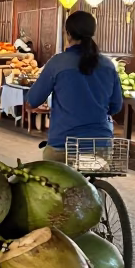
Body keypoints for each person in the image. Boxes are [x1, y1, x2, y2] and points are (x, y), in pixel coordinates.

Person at [26, 10, 123, 161]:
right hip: (101, 145)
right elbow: (116, 106)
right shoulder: (108, 65)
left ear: (68, 34)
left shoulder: (58, 63)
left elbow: (33, 99)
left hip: (63, 145)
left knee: (47, 179)